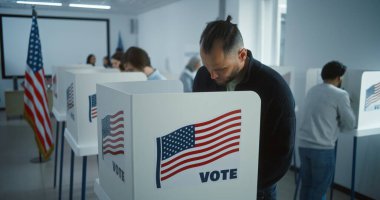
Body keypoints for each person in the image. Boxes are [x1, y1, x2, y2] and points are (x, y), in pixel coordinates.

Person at [193, 16, 295, 199]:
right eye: (207, 66)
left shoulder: (275, 89)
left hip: (257, 188)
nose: (212, 75)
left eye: (220, 68)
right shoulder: (203, 77)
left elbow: (281, 154)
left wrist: (243, 181)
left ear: (242, 55)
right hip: (213, 181)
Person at [297, 61, 355, 199]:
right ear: (339, 77)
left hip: (303, 146)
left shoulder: (313, 90)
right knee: (319, 189)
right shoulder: (340, 94)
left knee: (306, 185)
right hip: (322, 149)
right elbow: (350, 123)